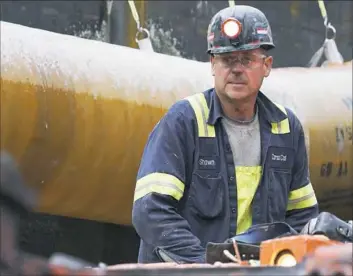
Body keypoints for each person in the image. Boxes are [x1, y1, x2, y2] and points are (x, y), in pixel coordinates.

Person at [132, 5, 319, 264]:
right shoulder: (184, 122)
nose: (236, 69)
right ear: (212, 65)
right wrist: (205, 264)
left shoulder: (285, 128)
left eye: (246, 60)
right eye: (227, 60)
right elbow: (150, 211)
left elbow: (301, 216)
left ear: (266, 65)